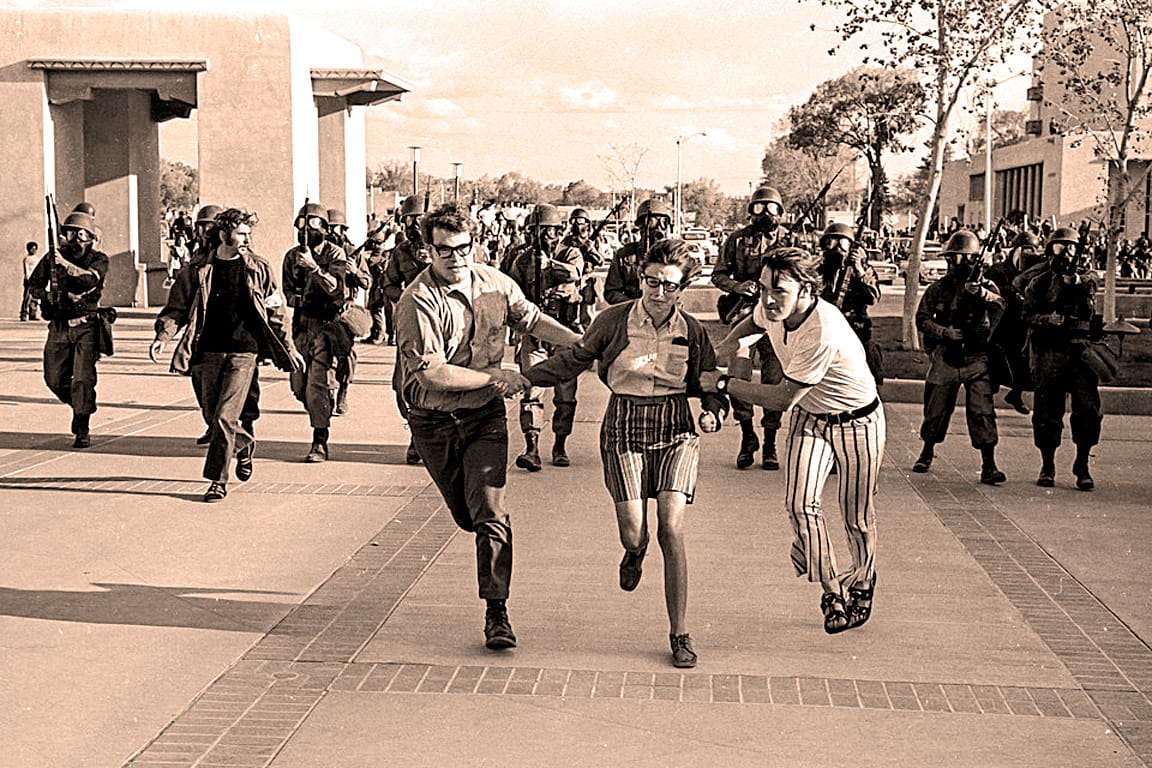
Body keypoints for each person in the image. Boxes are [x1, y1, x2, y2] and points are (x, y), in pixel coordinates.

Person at [523, 238, 727, 668]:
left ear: (682, 288)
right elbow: (573, 360)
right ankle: (634, 551)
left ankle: (680, 633)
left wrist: (712, 412)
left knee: (671, 529)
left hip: (675, 427)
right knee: (635, 531)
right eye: (652, 282)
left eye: (669, 285)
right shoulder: (612, 321)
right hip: (624, 422)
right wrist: (525, 380)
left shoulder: (692, 330)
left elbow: (708, 383)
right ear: (641, 279)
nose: (658, 292)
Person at [393, 203, 581, 651]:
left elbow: (531, 320)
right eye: (444, 250)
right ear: (427, 252)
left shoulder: (496, 284)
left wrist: (584, 344)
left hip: (484, 417)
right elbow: (434, 375)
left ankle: (496, 611)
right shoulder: (416, 302)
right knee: (467, 515)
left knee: (491, 513)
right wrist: (502, 377)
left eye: (462, 248)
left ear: (473, 245)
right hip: (434, 420)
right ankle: (480, 531)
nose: (455, 258)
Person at [705, 246, 884, 634]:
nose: (768, 299)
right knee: (800, 504)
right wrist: (723, 351)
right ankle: (832, 591)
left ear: (806, 290)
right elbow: (749, 327)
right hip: (812, 418)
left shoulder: (822, 330)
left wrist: (723, 382)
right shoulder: (774, 309)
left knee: (855, 515)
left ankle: (864, 583)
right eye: (765, 287)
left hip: (857, 421)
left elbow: (781, 398)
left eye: (779, 291)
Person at [149, 209, 304, 502]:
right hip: (206, 352)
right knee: (213, 418)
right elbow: (177, 308)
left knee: (224, 417)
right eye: (242, 233)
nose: (248, 239)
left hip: (244, 353)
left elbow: (276, 311)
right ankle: (243, 446)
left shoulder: (259, 268)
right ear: (224, 234)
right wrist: (163, 336)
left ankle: (217, 481)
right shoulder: (197, 270)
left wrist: (290, 348)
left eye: (249, 233)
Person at [912, 230, 1007, 484]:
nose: (956, 264)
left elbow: (1000, 305)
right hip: (946, 356)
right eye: (953, 258)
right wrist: (943, 332)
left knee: (982, 411)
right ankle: (927, 451)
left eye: (963, 258)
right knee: (936, 410)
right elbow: (921, 319)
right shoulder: (938, 288)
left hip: (976, 358)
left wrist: (981, 294)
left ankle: (989, 464)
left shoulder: (986, 286)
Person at [282, 203, 370, 462]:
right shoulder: (291, 256)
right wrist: (298, 297)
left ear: (324, 228)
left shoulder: (336, 254)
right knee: (299, 387)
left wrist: (313, 268)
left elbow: (337, 290)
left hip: (326, 328)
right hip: (301, 327)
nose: (306, 231)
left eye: (312, 225)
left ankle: (320, 440)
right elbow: (287, 292)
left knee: (316, 385)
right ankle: (321, 407)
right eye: (301, 225)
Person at [711, 186, 788, 470]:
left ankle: (770, 442)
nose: (765, 214)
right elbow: (718, 274)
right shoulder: (736, 240)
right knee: (739, 376)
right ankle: (747, 436)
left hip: (776, 321)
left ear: (780, 212)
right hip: (744, 317)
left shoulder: (790, 242)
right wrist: (738, 286)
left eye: (771, 208)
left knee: (774, 380)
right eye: (758, 208)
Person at [1021, 227, 1104, 490]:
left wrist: (1076, 282)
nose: (1066, 254)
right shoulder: (1040, 282)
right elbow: (1027, 314)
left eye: (1070, 248)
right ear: (1050, 251)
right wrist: (1048, 319)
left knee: (1088, 410)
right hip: (1050, 350)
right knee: (1046, 410)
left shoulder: (1086, 277)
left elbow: (1092, 282)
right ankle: (1048, 464)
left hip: (1080, 351)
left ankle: (1082, 464)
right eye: (1059, 247)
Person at [503, 203, 585, 470]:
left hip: (563, 332)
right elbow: (512, 295)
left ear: (559, 231)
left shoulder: (570, 253)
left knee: (565, 395)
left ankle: (560, 444)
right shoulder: (522, 260)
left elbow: (574, 273)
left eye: (549, 232)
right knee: (531, 389)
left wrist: (550, 265)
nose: (543, 238)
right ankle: (532, 447)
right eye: (537, 232)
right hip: (534, 334)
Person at [27, 210, 111, 448]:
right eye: (68, 233)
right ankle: (80, 404)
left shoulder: (99, 259)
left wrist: (64, 265)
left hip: (87, 326)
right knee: (53, 379)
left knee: (83, 379)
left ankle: (82, 425)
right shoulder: (52, 257)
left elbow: (90, 280)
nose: (70, 239)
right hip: (59, 325)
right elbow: (33, 285)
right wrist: (48, 294)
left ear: (87, 236)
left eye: (76, 234)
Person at [383, 196, 432, 465]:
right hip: (409, 325)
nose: (415, 224)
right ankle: (415, 432)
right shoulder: (400, 252)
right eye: (409, 219)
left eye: (420, 219)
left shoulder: (442, 248)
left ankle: (430, 438)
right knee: (402, 384)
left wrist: (430, 262)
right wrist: (403, 298)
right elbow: (388, 284)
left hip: (440, 326)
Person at [816, 222, 883, 386]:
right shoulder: (818, 270)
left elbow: (873, 297)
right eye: (832, 242)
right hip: (825, 333)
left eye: (843, 244)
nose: (837, 248)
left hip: (855, 331)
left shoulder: (862, 270)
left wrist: (859, 271)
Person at [986, 230, 1043, 415]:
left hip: (1022, 325)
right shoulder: (998, 270)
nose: (1027, 255)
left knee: (1025, 365)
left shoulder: (1036, 273)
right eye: (1024, 250)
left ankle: (1015, 394)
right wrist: (1011, 291)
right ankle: (987, 403)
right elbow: (990, 289)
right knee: (996, 365)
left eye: (1031, 251)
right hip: (1001, 324)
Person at [603, 197, 672, 305]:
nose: (660, 228)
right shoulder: (624, 255)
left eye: (663, 222)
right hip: (633, 313)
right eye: (654, 222)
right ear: (641, 226)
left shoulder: (673, 255)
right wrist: (634, 306)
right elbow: (611, 292)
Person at [20, 241, 41, 321]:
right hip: (29, 279)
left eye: (35, 249)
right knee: (27, 297)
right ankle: (24, 314)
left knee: (35, 297)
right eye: (32, 249)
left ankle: (33, 314)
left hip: (36, 279)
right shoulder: (27, 259)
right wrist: (27, 278)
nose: (34, 251)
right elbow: (26, 269)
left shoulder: (37, 259)